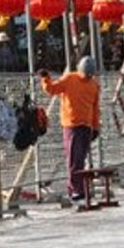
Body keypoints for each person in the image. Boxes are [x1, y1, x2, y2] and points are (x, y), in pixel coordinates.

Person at [38, 56, 100, 204]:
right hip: (72, 125)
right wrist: (45, 78)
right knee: (74, 159)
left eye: (89, 75)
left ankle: (79, 188)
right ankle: (75, 189)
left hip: (85, 126)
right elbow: (52, 89)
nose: (87, 77)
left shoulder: (93, 85)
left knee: (79, 159)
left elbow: (95, 108)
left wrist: (95, 126)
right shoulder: (71, 79)